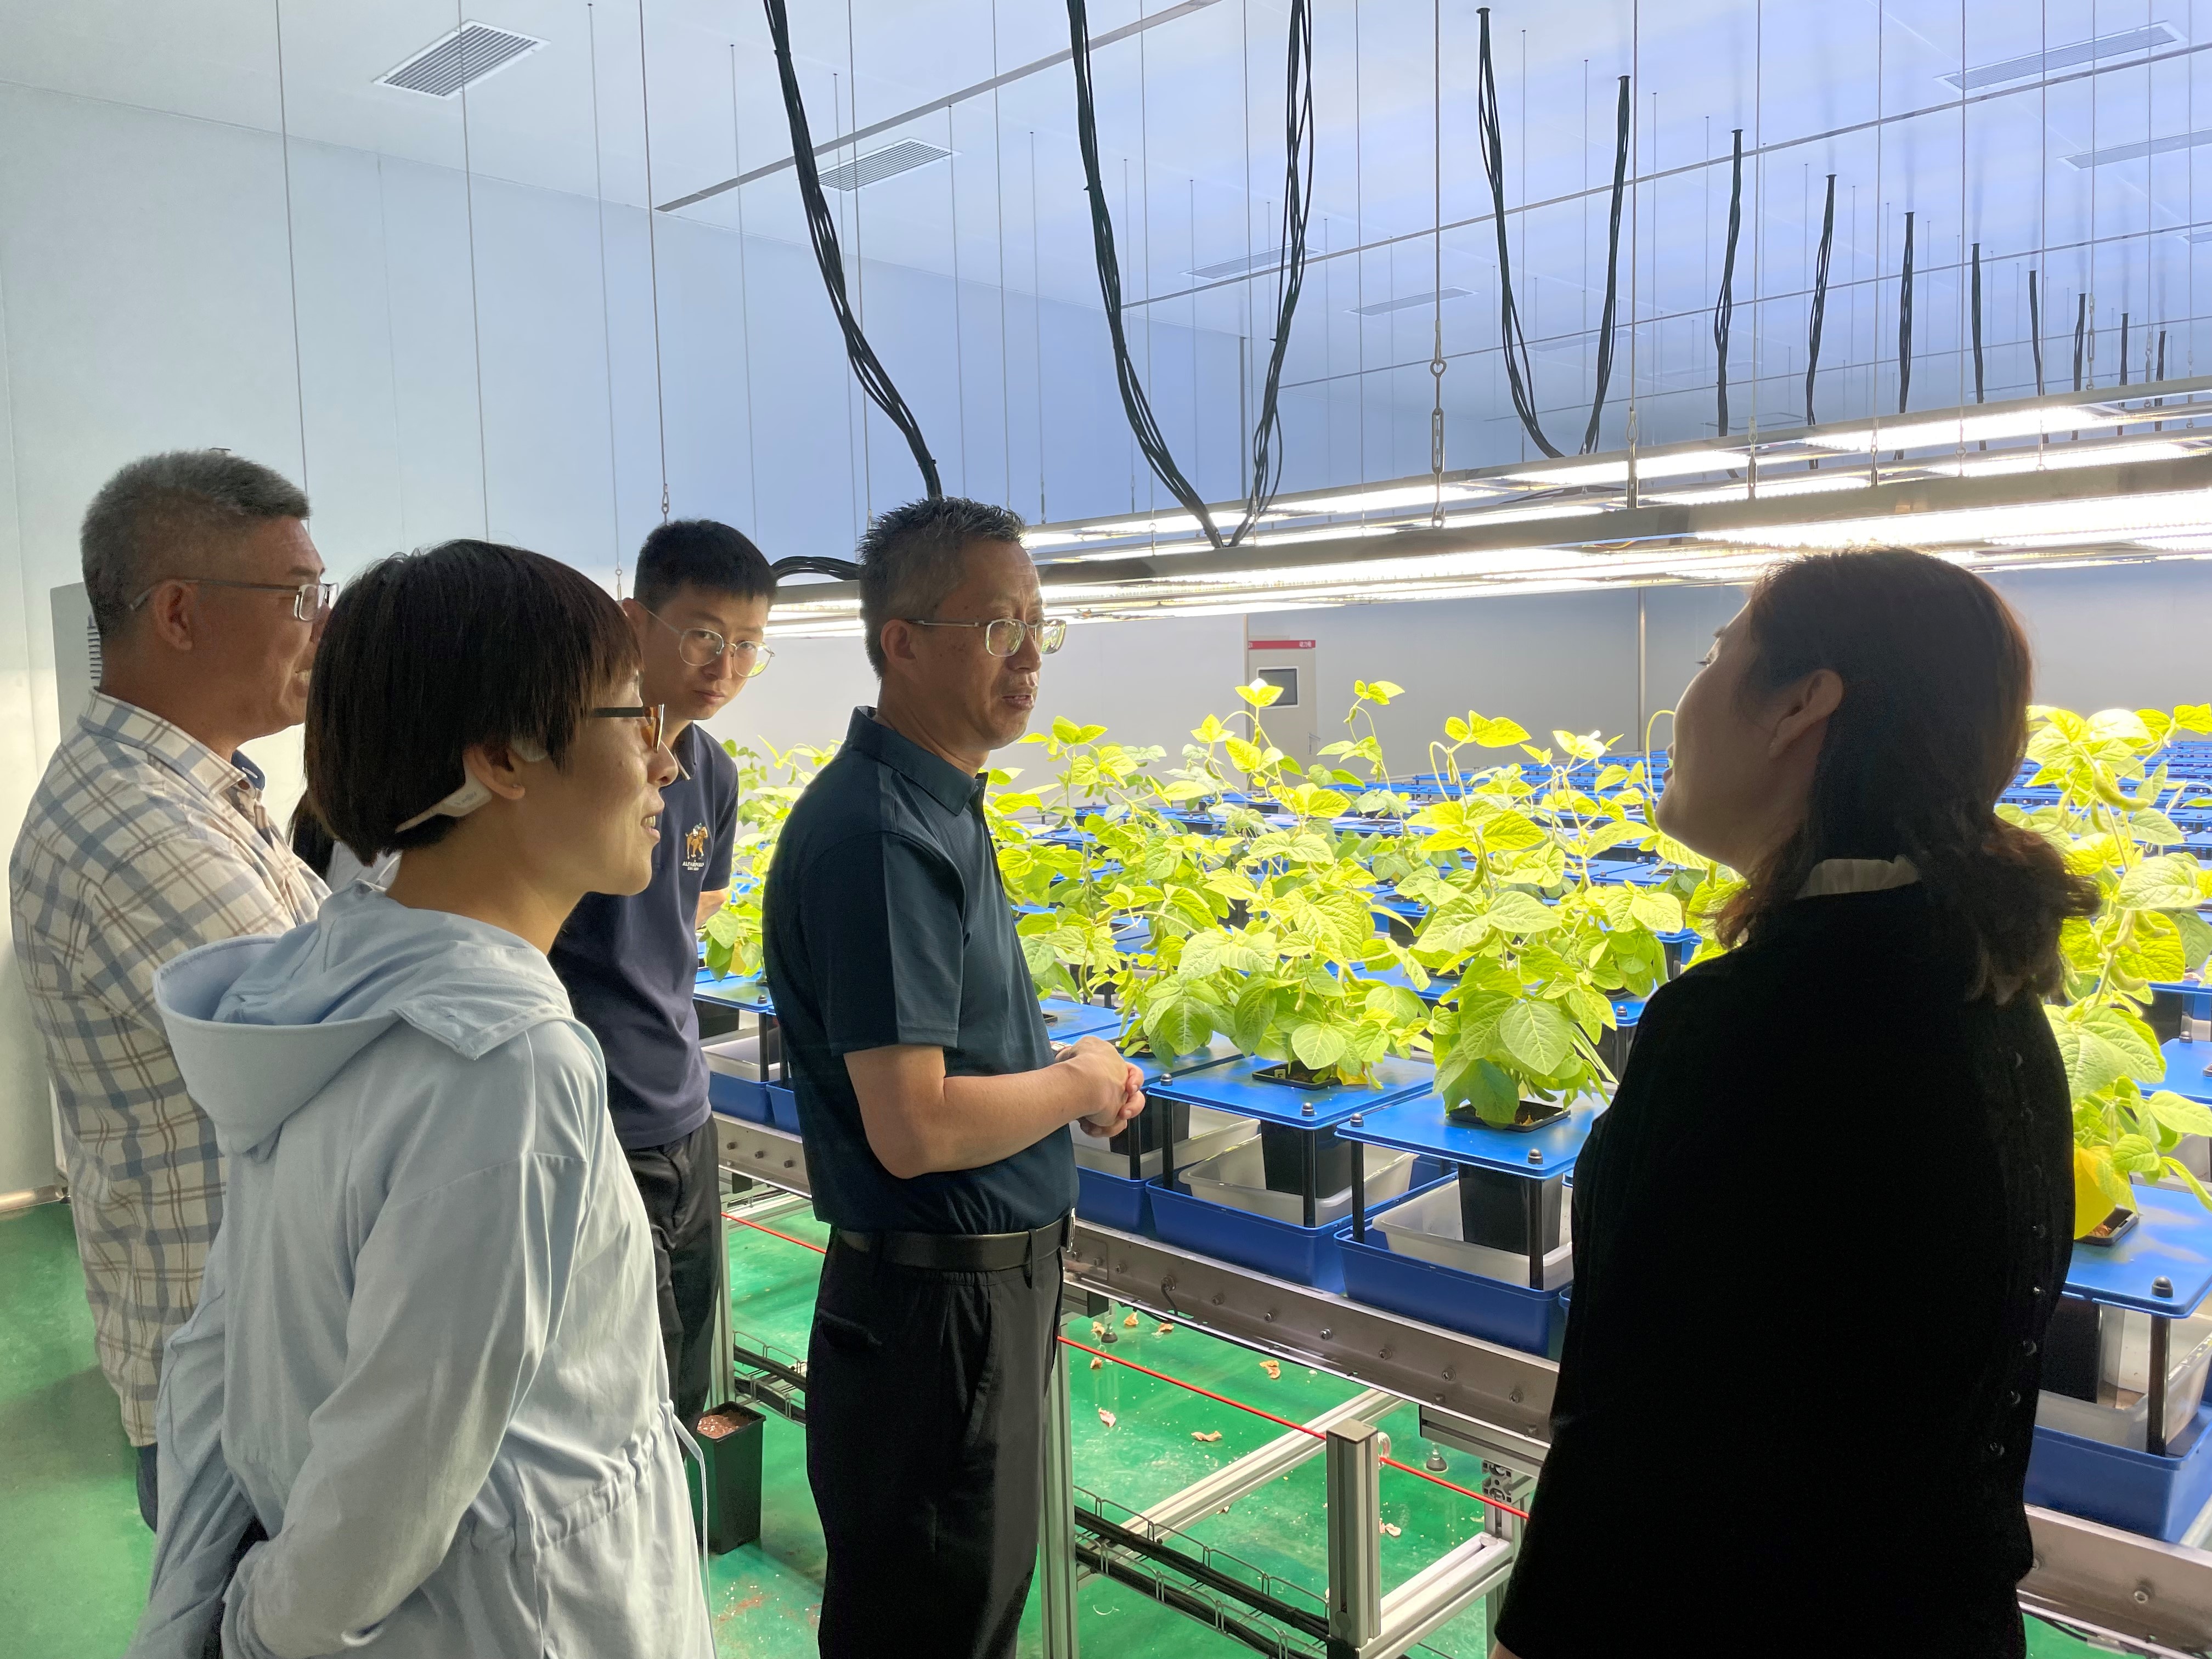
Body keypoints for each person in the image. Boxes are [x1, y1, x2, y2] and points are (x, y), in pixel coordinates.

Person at [1492, 549, 2097, 1659]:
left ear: (1801, 705)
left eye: (1715, 653)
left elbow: (1639, 1418)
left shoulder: (1753, 1024)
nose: (1684, 701)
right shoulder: (1988, 990)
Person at [128, 539, 709, 1659]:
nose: (666, 761)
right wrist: (261, 1630)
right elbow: (393, 1480)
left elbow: (226, 1357)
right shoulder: (506, 1067)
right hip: (516, 1622)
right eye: (633, 718)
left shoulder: (319, 986)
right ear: (501, 758)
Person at [763, 496, 1145, 1659]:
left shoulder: (936, 803)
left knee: (956, 1614)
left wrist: (1064, 1072)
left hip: (965, 1313)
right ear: (903, 643)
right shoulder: (884, 837)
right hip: (939, 1326)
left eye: (1036, 624)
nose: (1028, 657)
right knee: (936, 1623)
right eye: (995, 627)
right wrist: (1077, 1087)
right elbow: (916, 1126)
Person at [9, 450, 329, 1530]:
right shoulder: (137, 829)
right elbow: (350, 1059)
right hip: (248, 1393)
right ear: (181, 614)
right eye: (299, 596)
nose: (321, 627)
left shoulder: (200, 793)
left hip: (263, 1363)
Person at [550, 518, 773, 1425]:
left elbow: (699, 905)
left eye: (749, 646)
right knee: (621, 1396)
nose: (726, 665)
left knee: (683, 1377)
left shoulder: (711, 772)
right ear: (634, 619)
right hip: (594, 1115)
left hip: (685, 1109)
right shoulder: (568, 756)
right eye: (705, 635)